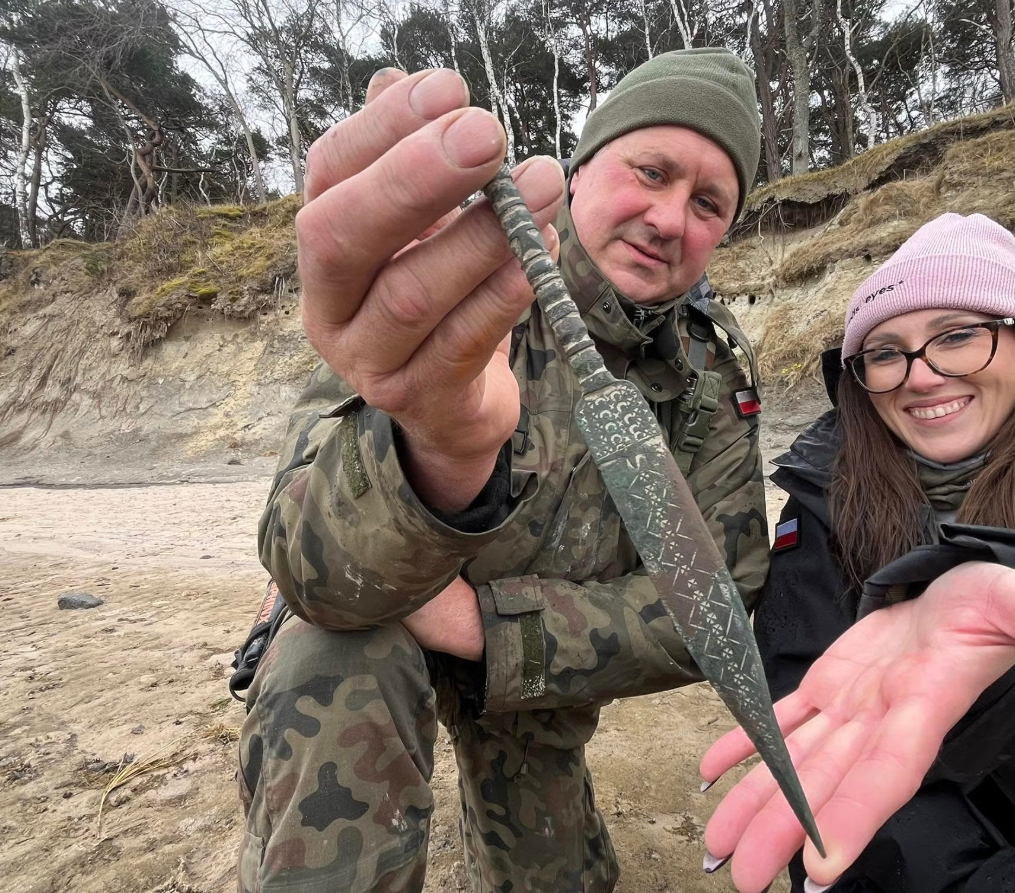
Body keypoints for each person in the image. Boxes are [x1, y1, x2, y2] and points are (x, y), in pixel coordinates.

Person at [237, 48, 772, 893]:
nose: (669, 219)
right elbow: (315, 572)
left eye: (708, 202)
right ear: (581, 167)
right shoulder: (445, 279)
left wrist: (489, 627)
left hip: (533, 682)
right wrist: (435, 451)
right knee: (330, 667)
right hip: (372, 629)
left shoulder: (708, 376)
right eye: (651, 171)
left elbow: (715, 605)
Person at [699, 212, 1015, 893]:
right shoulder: (821, 502)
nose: (922, 375)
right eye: (885, 352)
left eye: (957, 336)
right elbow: (813, 719)